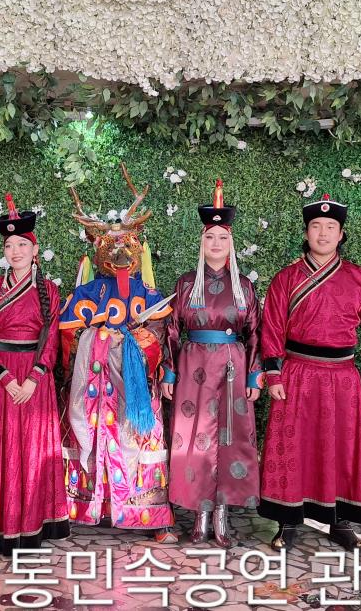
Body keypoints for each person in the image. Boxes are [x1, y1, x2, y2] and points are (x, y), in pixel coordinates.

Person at [58, 166, 177, 543]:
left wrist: (136, 341)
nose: (120, 252)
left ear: (137, 247)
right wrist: (96, 338)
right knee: (90, 437)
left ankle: (150, 515)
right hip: (95, 388)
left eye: (127, 245)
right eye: (110, 246)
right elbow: (69, 337)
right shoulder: (85, 294)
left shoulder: (149, 295)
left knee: (143, 437)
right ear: (97, 250)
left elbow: (162, 334)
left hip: (135, 387)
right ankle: (86, 507)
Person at [258, 194, 361, 551]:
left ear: (341, 234)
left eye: (331, 227)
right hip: (297, 373)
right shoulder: (285, 279)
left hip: (342, 377)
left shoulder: (360, 278)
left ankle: (340, 523)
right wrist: (274, 374)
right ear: (306, 232)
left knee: (342, 447)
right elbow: (272, 328)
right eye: (316, 226)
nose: (323, 233)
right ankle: (288, 521)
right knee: (292, 447)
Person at [0, 194, 69, 555]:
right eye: (9, 245)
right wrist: (8, 380)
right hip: (2, 379)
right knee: (1, 448)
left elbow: (51, 341)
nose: (15, 251)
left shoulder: (49, 291)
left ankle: (33, 524)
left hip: (36, 381)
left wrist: (33, 378)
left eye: (22, 244)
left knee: (32, 450)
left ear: (35, 250)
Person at [161, 180, 262, 547]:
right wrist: (169, 371)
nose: (216, 243)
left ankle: (222, 515)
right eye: (209, 237)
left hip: (233, 367)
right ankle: (199, 516)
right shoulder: (186, 284)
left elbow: (255, 332)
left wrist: (254, 374)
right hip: (193, 368)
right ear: (201, 243)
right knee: (194, 439)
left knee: (229, 440)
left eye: (222, 237)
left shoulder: (244, 286)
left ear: (231, 243)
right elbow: (172, 329)